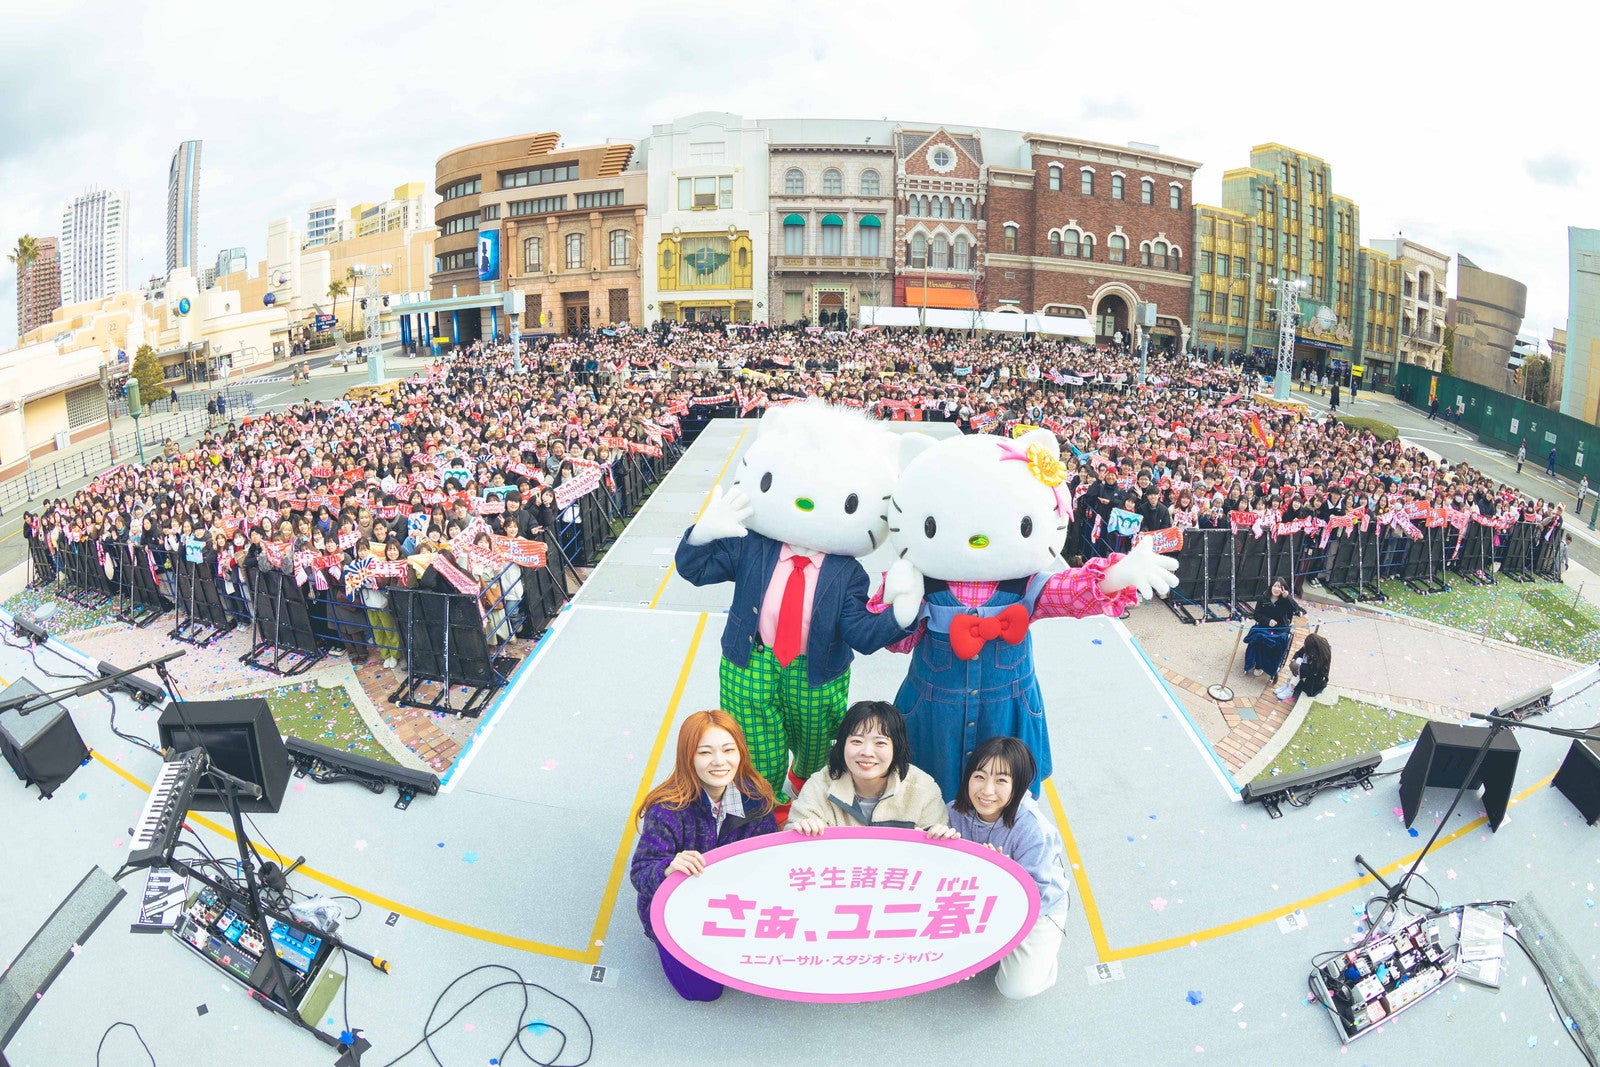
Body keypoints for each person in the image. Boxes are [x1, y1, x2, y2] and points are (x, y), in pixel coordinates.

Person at [628, 710, 778, 1002]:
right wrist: (666, 869)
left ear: (740, 752)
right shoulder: (668, 808)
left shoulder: (757, 799)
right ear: (688, 757)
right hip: (679, 911)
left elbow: (767, 861)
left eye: (728, 750)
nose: (719, 762)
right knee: (703, 992)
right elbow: (640, 873)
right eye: (705, 752)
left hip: (733, 906)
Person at [945, 737, 1069, 999]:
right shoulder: (952, 812)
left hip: (1035, 907)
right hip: (976, 898)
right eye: (979, 776)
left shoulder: (1035, 830)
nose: (987, 790)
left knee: (1015, 988)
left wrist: (1003, 877)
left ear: (1019, 785)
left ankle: (1043, 958)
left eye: (1001, 780)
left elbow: (1034, 896)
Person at [787, 701, 957, 835]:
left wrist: (937, 838)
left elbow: (937, 858)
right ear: (842, 745)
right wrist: (802, 830)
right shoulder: (820, 785)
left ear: (896, 747)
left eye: (880, 743)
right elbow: (791, 840)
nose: (867, 752)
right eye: (856, 741)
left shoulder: (922, 788)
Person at [1242, 577, 1302, 680]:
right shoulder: (1263, 598)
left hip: (1281, 628)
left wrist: (1287, 597)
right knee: (1258, 636)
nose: (1276, 589)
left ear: (1283, 589)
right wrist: (1268, 621)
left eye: (1279, 587)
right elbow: (1257, 615)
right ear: (1271, 587)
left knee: (1278, 641)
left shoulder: (1285, 600)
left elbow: (1296, 609)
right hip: (1264, 626)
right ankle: (1255, 664)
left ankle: (1268, 666)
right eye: (1275, 586)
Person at [1275, 631, 1331, 702]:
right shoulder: (1310, 647)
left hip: (1313, 680)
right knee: (1298, 660)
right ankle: (1288, 684)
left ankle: (1290, 689)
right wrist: (1293, 661)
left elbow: (1313, 671)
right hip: (1306, 671)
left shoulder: (1322, 656)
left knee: (1298, 665)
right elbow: (1298, 653)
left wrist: (1298, 667)